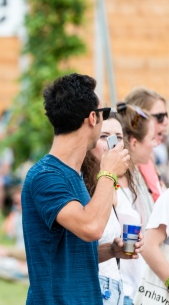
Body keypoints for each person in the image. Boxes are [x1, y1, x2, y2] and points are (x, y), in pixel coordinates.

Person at [22, 73, 132, 304]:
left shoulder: (73, 174)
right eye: (103, 114)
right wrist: (108, 172)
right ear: (93, 118)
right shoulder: (46, 175)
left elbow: (69, 255)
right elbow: (90, 227)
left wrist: (111, 251)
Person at [81, 112, 145, 304]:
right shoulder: (82, 185)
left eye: (118, 138)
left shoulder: (114, 184)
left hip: (118, 286)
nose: (113, 144)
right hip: (97, 285)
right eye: (104, 136)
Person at [115, 103, 157, 304]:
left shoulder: (139, 178)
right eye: (152, 138)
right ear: (133, 142)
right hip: (123, 290)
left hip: (139, 288)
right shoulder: (111, 181)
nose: (156, 144)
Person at [124, 88, 168, 201]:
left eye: (166, 115)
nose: (166, 121)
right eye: (160, 117)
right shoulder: (128, 165)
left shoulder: (146, 159)